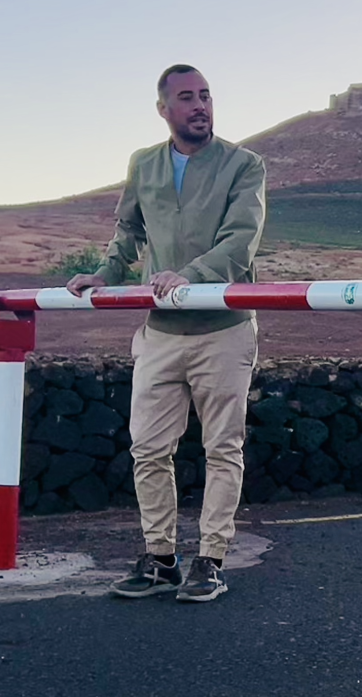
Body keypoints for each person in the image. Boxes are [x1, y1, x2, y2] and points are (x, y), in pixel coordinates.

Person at [67, 64, 267, 604]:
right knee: (149, 449)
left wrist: (192, 276)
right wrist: (105, 274)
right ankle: (160, 559)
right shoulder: (144, 164)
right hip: (159, 332)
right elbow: (128, 230)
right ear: (164, 109)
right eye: (187, 97)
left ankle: (211, 561)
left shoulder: (244, 165)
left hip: (223, 331)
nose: (200, 105)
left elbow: (241, 239)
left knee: (223, 447)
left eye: (205, 95)